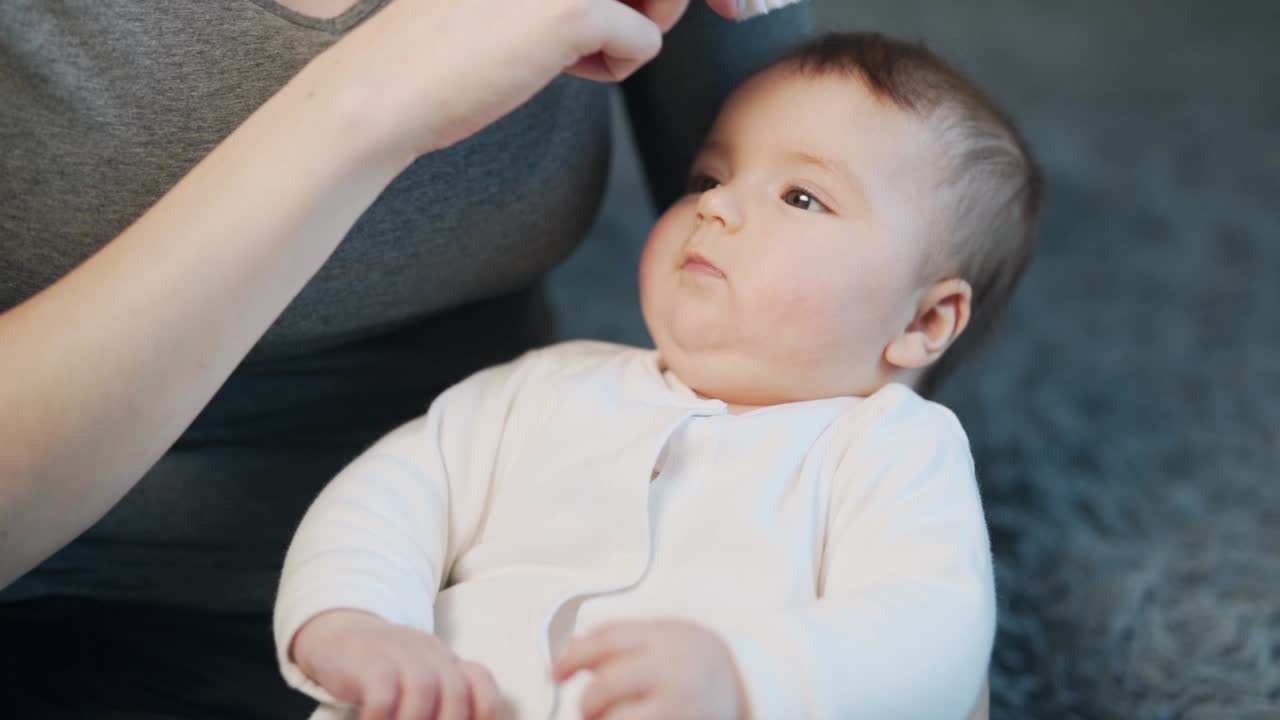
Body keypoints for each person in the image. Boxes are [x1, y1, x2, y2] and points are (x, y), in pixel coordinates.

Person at [0, 1, 814, 716]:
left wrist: (748, 613)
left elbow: (875, 244)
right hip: (67, 624)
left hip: (504, 595)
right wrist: (372, 103)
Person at [275, 31, 1043, 720]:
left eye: (801, 196)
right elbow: (393, 495)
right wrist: (354, 622)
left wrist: (746, 682)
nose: (719, 208)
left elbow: (928, 629)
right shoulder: (545, 387)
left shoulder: (887, 449)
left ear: (923, 322)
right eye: (708, 178)